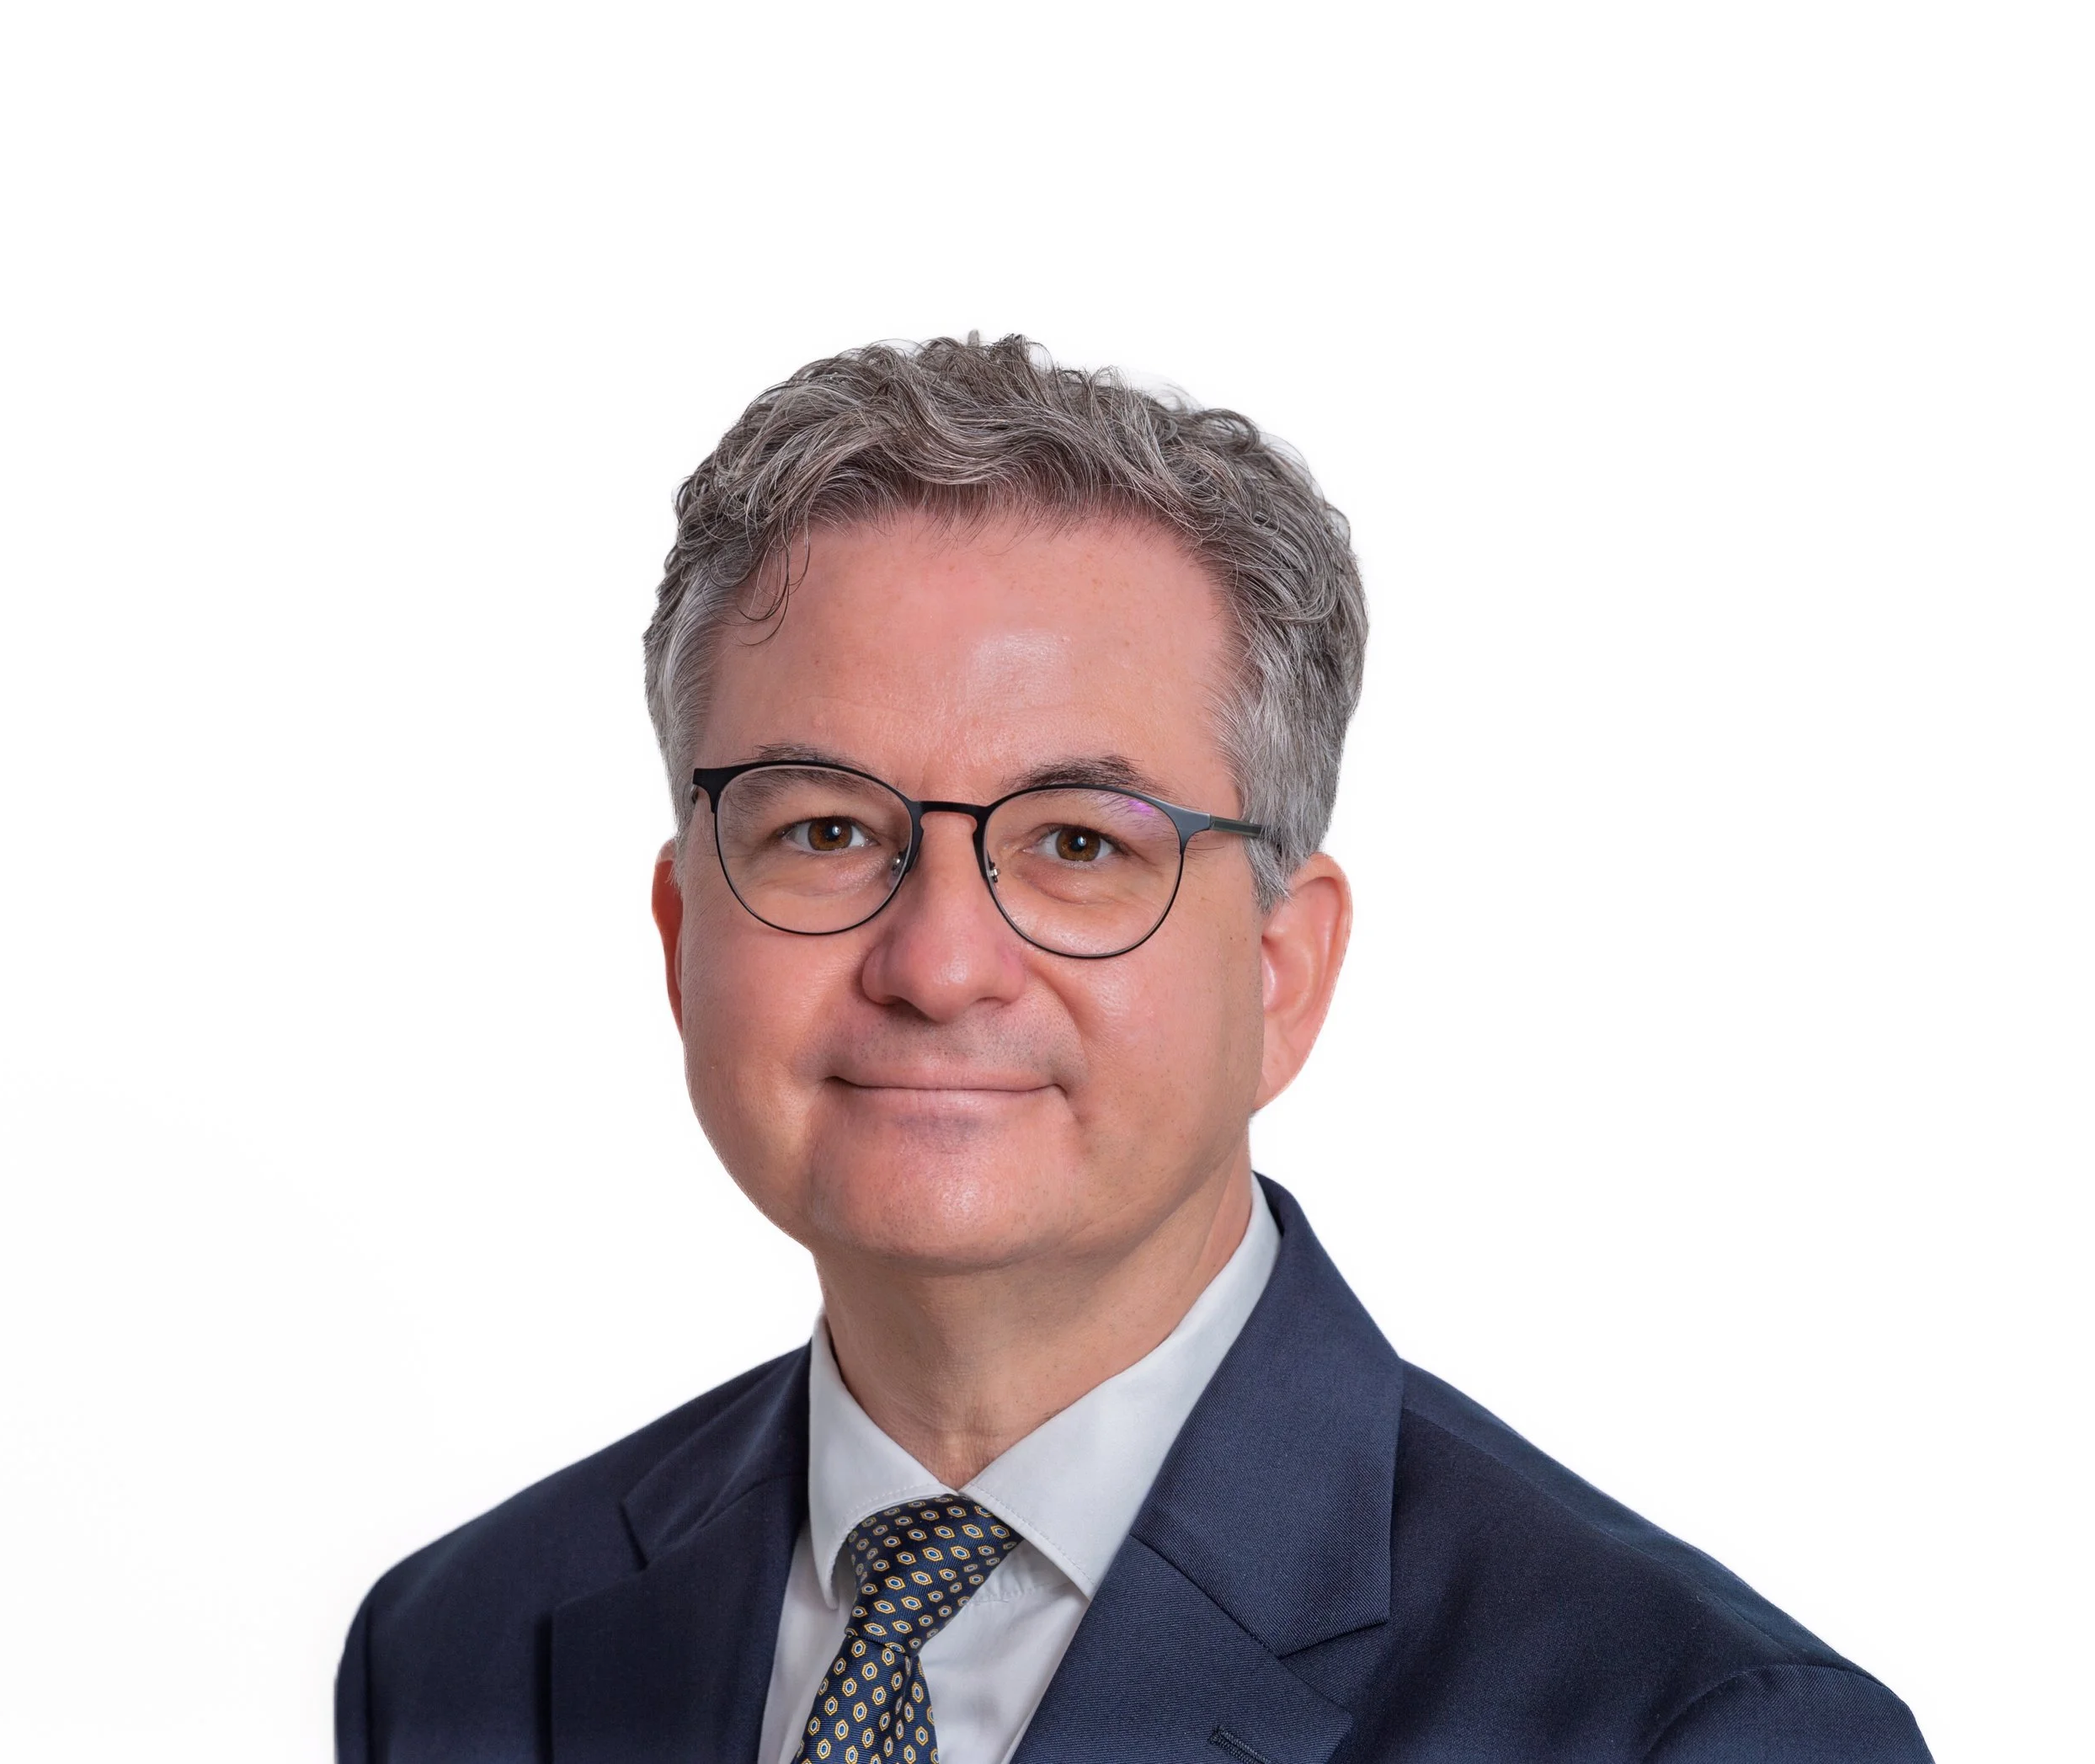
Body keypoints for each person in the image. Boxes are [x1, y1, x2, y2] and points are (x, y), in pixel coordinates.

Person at [337, 336, 1932, 1764]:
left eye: (1079, 846)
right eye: (826, 828)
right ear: (689, 940)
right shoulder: (464, 1650)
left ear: (1281, 970)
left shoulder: (1690, 1727)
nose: (941, 962)